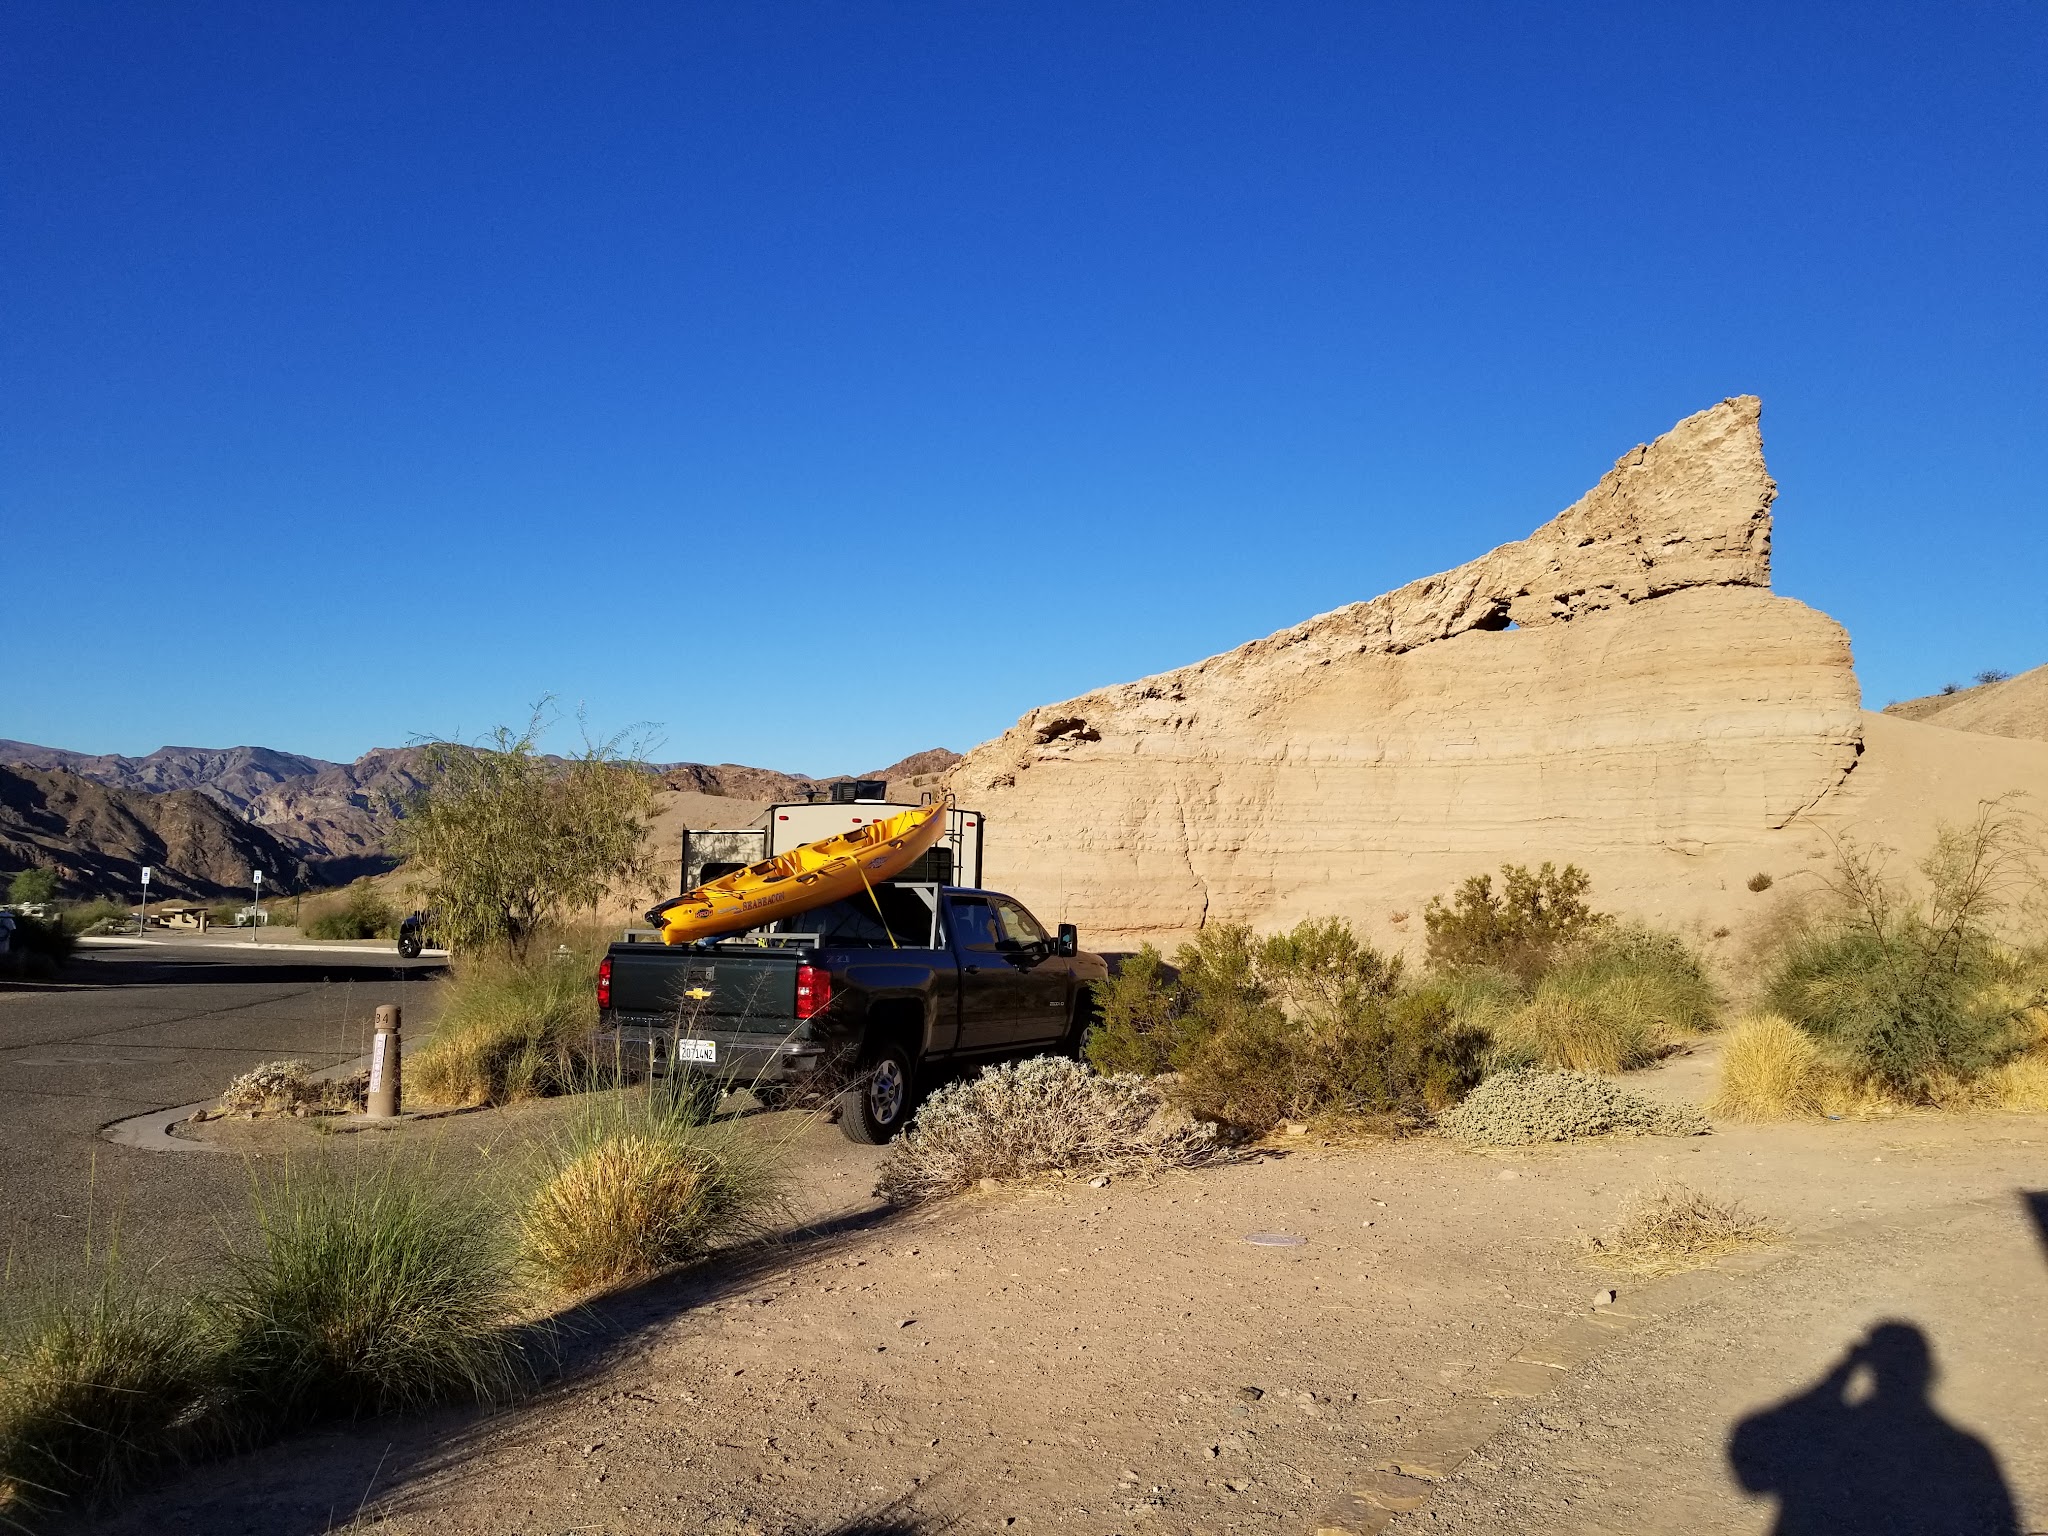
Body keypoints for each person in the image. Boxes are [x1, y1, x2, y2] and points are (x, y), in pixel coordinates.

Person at [1728, 1321, 2016, 1535]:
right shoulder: (1967, 1451)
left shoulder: (1835, 1428)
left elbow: (1753, 1469)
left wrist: (1842, 1371)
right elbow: (2001, 1523)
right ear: (1929, 1372)